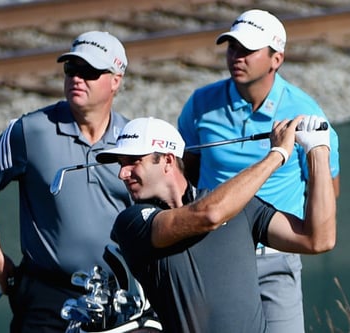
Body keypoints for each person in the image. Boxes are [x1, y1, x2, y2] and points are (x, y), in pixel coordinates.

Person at [177, 9, 340, 332]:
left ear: (276, 59)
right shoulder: (201, 104)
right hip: (213, 253)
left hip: (276, 257)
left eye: (248, 50)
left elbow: (327, 189)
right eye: (232, 47)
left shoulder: (304, 111)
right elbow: (186, 174)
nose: (236, 56)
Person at [95, 116, 336, 332]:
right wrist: (277, 155)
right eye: (121, 164)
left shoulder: (241, 207)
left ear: (167, 160)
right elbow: (208, 215)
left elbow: (317, 239)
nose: (122, 174)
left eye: (133, 161)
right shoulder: (132, 222)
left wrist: (318, 151)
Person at [0, 31, 133, 333]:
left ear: (115, 80)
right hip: (47, 295)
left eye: (89, 72)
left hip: (119, 295)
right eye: (71, 70)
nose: (76, 79)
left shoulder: (133, 140)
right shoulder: (32, 130)